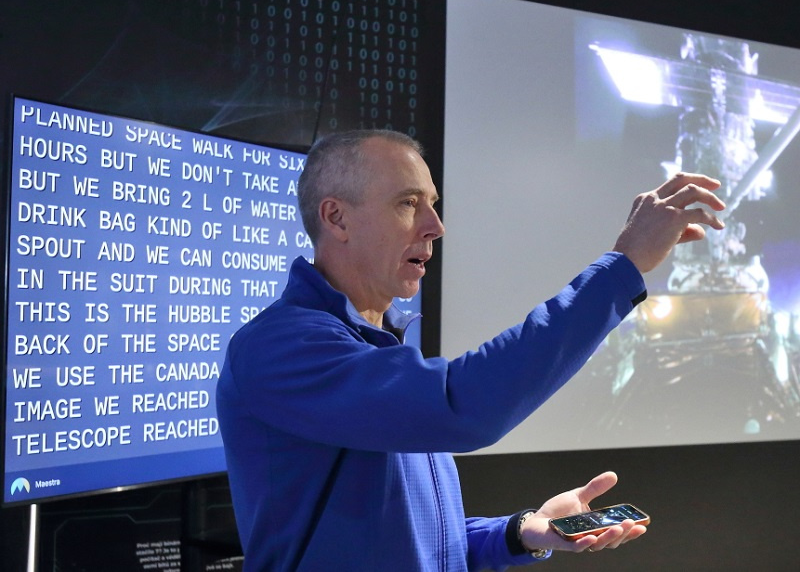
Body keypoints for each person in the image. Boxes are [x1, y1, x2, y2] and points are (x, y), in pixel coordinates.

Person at [216, 129, 725, 571]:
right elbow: (466, 408)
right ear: (337, 218)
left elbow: (408, 541)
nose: (434, 226)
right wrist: (623, 265)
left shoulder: (373, 343)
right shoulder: (280, 347)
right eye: (407, 203)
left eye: (432, 205)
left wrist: (521, 531)